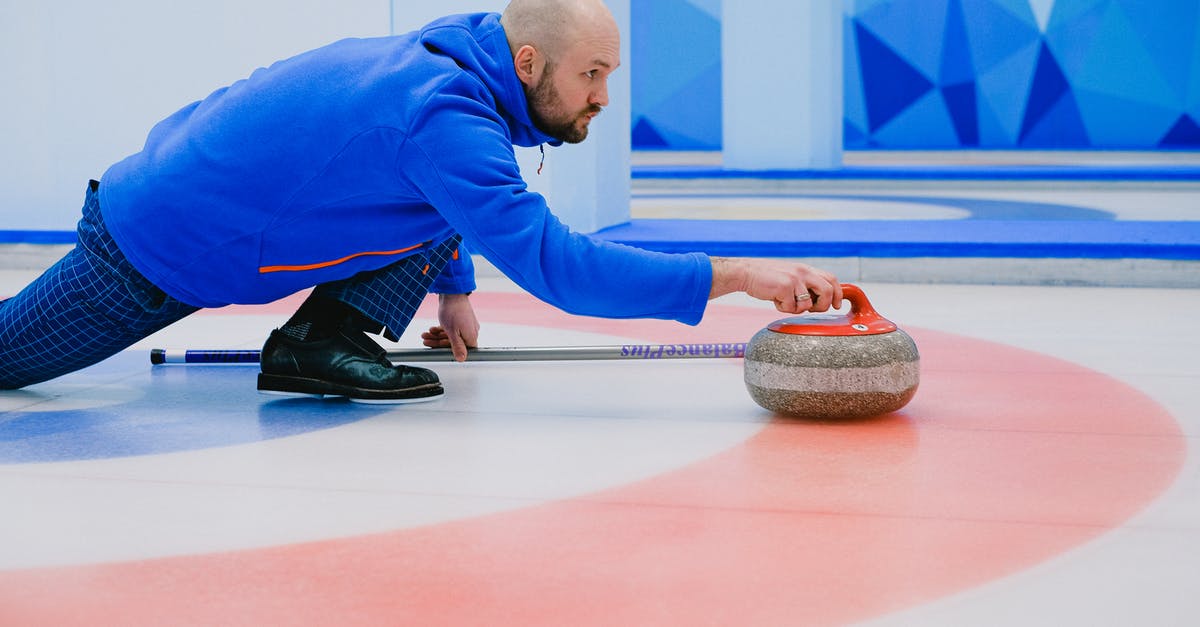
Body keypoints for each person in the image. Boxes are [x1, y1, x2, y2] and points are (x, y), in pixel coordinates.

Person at [0, 0, 843, 402]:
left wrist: (456, 287)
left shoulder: (460, 58)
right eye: (592, 76)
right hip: (152, 247)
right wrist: (735, 275)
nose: (602, 98)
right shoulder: (446, 115)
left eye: (609, 76)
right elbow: (558, 268)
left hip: (191, 205)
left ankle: (317, 341)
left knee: (442, 202)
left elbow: (434, 188)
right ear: (527, 63)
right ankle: (311, 345)